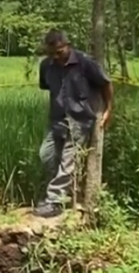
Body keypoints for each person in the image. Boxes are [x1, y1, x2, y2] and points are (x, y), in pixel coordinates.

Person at [34, 29, 114, 218]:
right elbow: (46, 86)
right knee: (46, 155)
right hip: (57, 119)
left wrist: (109, 109)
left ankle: (55, 201)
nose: (56, 57)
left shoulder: (85, 63)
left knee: (68, 161)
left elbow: (105, 84)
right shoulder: (46, 66)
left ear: (67, 46)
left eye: (59, 52)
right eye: (51, 53)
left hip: (79, 120)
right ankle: (65, 191)